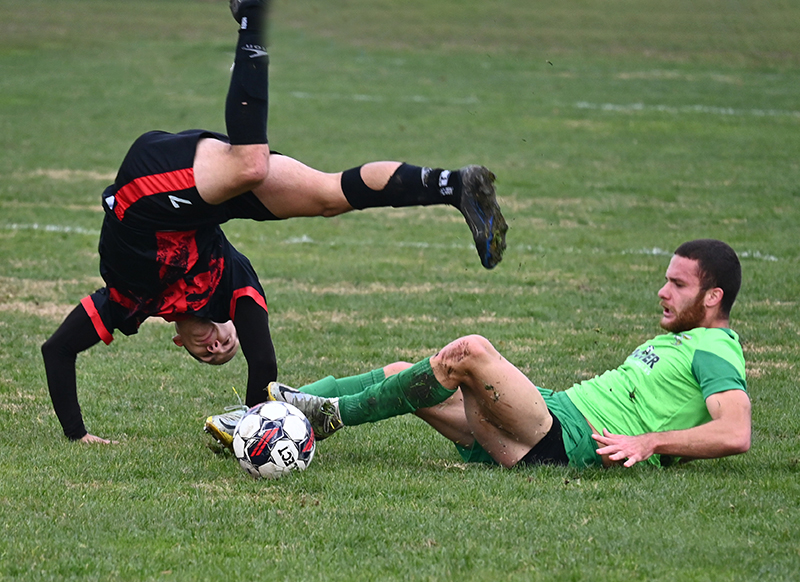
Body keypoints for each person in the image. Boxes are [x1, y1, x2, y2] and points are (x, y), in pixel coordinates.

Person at [42, 0, 507, 444]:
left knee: (250, 165)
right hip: (204, 206)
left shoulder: (126, 303)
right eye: (225, 346)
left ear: (177, 341)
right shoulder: (232, 280)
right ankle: (454, 186)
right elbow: (263, 365)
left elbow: (57, 350)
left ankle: (252, 16)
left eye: (207, 347)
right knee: (329, 196)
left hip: (142, 192)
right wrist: (247, 431)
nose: (217, 345)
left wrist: (76, 434)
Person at [209, 239, 751, 469]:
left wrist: (652, 442)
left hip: (567, 441)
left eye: (677, 285)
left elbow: (735, 433)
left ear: (712, 297)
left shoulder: (715, 349)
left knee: (469, 352)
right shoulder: (676, 340)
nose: (662, 291)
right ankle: (261, 418)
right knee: (408, 375)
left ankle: (326, 418)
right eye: (665, 280)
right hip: (554, 414)